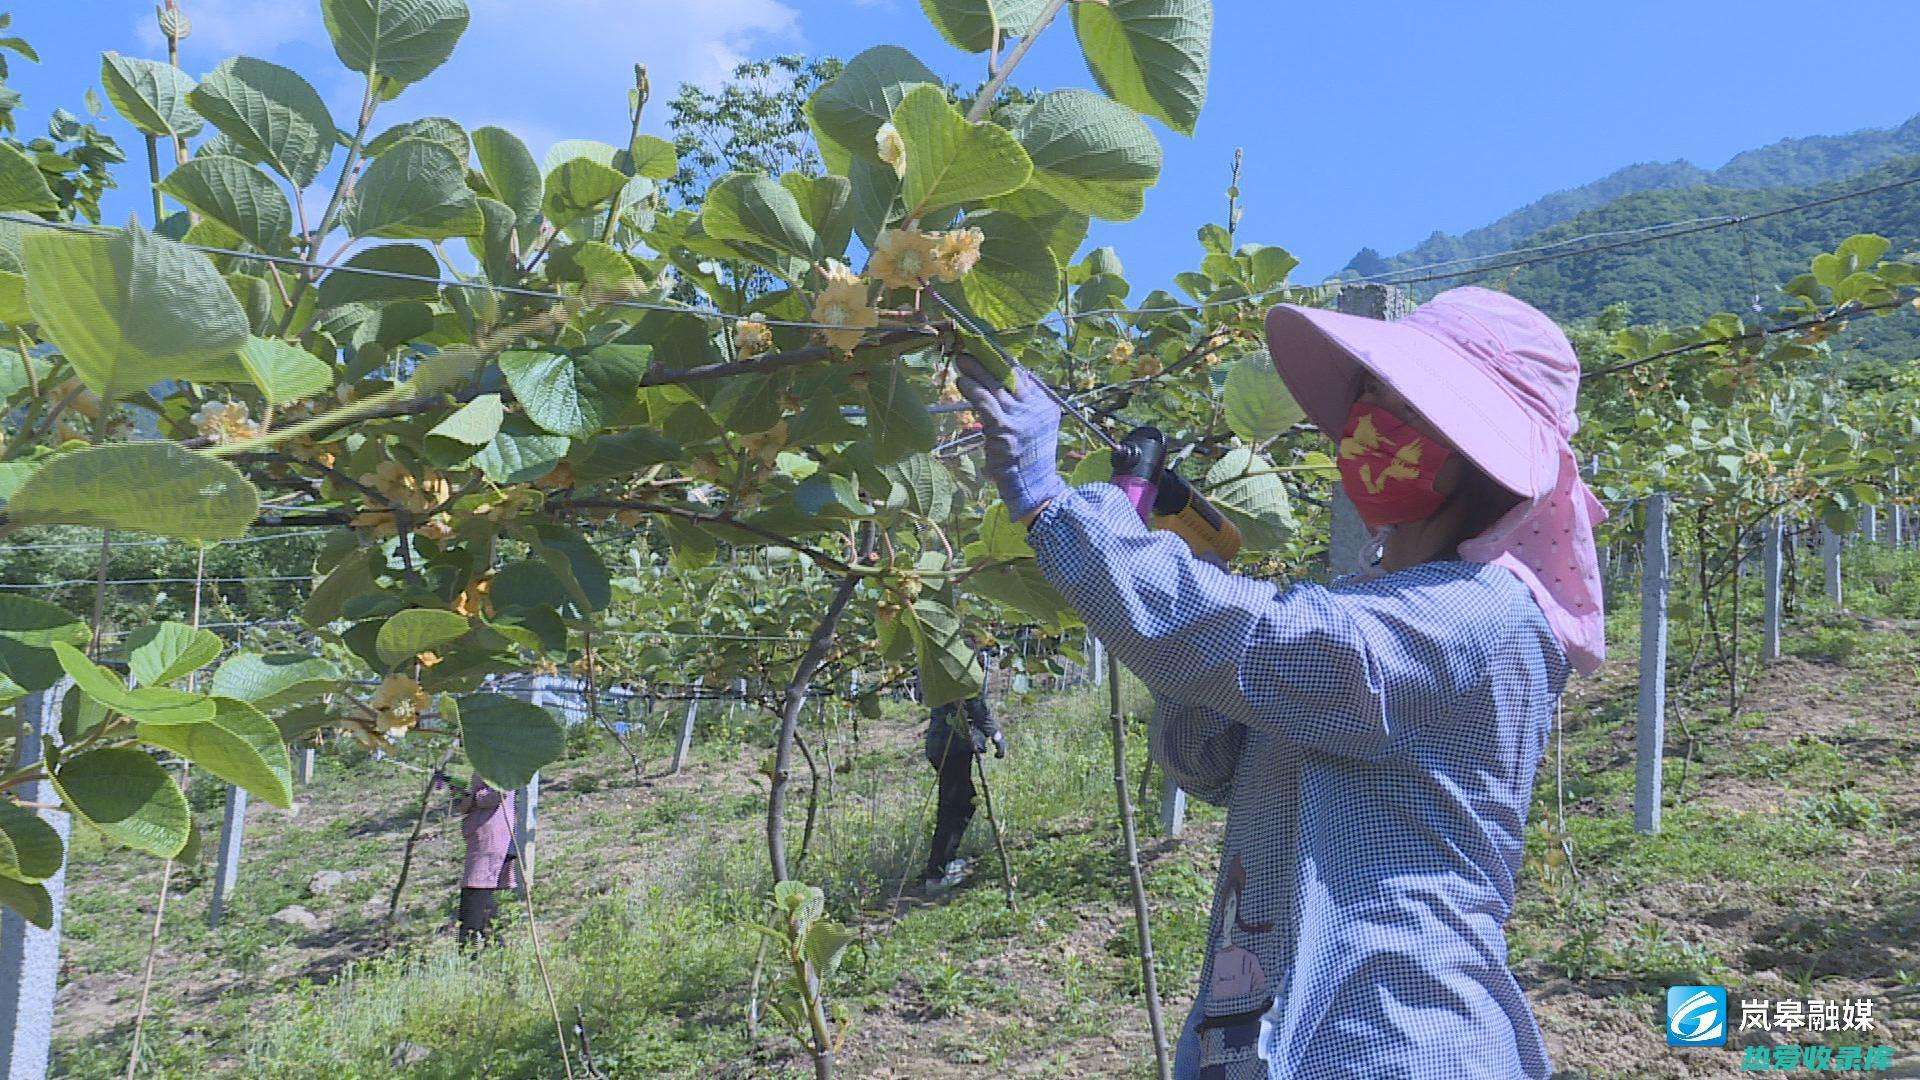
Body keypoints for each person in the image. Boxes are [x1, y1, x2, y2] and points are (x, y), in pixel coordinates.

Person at [957, 287, 1605, 1080]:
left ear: (1474, 450)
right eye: (1367, 392)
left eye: (1401, 402)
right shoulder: (1366, 609)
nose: (1367, 418)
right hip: (1269, 1038)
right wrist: (1187, 581)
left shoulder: (1482, 617)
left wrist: (1058, 509)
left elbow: (1259, 645)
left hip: (1400, 1039)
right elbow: (1209, 761)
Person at [921, 695, 1005, 893]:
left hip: (942, 744)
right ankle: (936, 874)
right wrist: (996, 734)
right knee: (956, 807)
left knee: (961, 804)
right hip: (953, 745)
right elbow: (975, 704)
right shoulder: (964, 667)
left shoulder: (944, 667)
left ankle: (944, 863)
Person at [442, 770, 518, 947]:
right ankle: (491, 944)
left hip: (491, 835)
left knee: (475, 889)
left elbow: (500, 792)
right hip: (481, 834)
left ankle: (470, 946)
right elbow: (465, 806)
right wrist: (460, 792)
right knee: (481, 890)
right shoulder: (483, 765)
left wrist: (473, 797)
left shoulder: (499, 763)